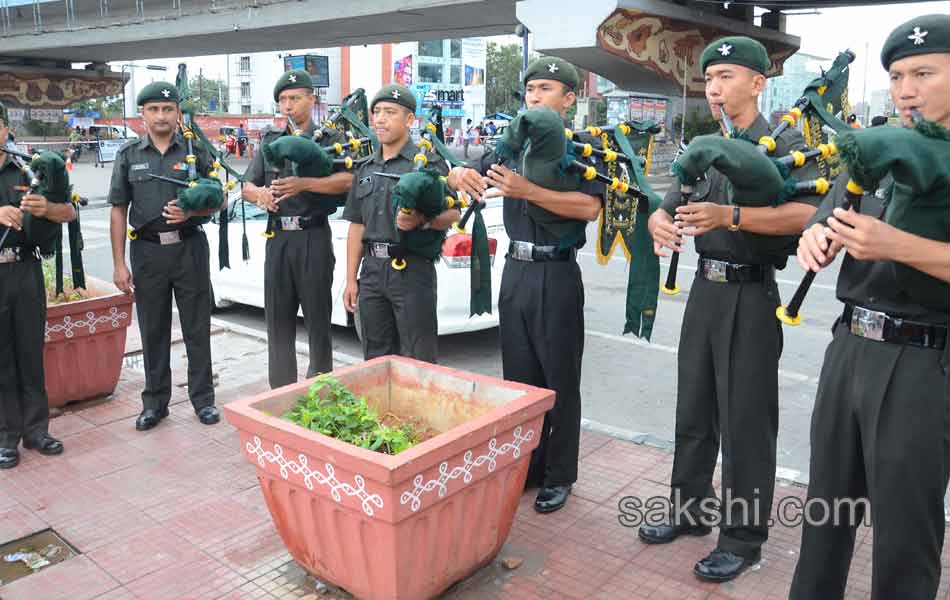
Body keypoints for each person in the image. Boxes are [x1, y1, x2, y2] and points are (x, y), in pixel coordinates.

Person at [640, 36, 823, 583]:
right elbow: (668, 205)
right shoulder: (708, 143)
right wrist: (658, 222)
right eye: (711, 80)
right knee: (693, 409)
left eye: (727, 78)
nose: (716, 90)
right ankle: (689, 509)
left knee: (745, 420)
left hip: (751, 294)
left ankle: (743, 539)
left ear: (758, 83)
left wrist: (731, 217)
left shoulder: (785, 142)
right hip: (706, 291)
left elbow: (804, 215)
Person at [789, 15, 950, 600]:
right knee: (826, 513)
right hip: (849, 346)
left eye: (923, 73)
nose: (906, 89)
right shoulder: (879, 145)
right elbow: (828, 211)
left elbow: (894, 244)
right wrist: (815, 238)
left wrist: (897, 246)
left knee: (904, 536)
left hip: (922, 363)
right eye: (897, 75)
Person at [447, 57, 603, 515]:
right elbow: (468, 172)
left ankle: (559, 475)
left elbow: (589, 208)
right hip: (514, 269)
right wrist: (458, 174)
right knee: (519, 381)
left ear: (569, 99)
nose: (534, 97)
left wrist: (527, 191)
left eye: (546, 89)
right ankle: (528, 467)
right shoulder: (513, 144)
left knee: (559, 381)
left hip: (556, 272)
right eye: (531, 89)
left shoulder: (583, 145)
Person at [108, 81, 223, 431]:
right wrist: (118, 263)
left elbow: (218, 199)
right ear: (142, 114)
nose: (161, 115)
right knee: (153, 330)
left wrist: (192, 214)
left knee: (196, 327)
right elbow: (118, 209)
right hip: (147, 252)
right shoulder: (129, 155)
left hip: (189, 248)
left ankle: (203, 400)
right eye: (153, 109)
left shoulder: (195, 150)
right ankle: (155, 403)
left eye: (167, 109)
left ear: (177, 113)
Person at [243, 70, 353, 389]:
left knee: (318, 322)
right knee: (277, 323)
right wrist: (260, 195)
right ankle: (281, 394)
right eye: (283, 100)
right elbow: (246, 184)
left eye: (295, 98)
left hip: (312, 236)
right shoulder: (271, 142)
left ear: (311, 100)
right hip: (278, 239)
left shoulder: (330, 139)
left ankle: (320, 394)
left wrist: (307, 183)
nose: (288, 105)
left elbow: (349, 180)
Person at [341, 84, 459, 362]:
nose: (380, 119)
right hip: (371, 272)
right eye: (377, 112)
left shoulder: (427, 163)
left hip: (411, 270)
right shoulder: (366, 166)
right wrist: (350, 280)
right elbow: (356, 225)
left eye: (390, 112)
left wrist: (422, 220)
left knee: (417, 358)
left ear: (409, 120)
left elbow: (453, 213)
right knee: (375, 358)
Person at [0, 101, 76, 469]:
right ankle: (6, 435)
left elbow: (70, 211)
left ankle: (36, 430)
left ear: (5, 130)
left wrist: (47, 209)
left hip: (26, 271)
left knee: (31, 353)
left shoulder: (26, 169)